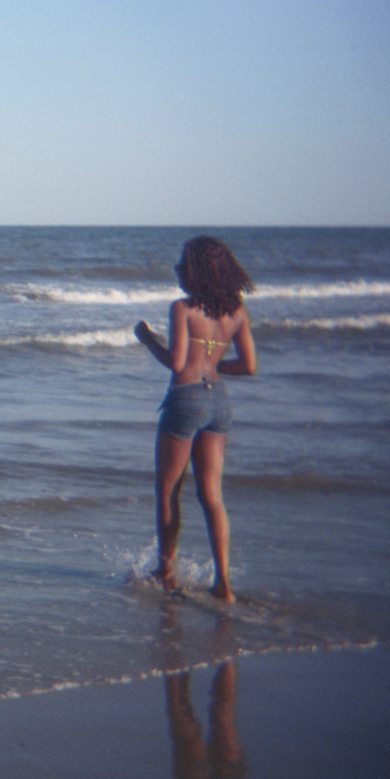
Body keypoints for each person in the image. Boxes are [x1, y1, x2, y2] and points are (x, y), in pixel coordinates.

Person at [134, 236, 257, 601]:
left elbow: (175, 363)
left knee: (169, 492)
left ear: (196, 272)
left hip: (185, 400)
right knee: (212, 495)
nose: (177, 270)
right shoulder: (237, 312)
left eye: (182, 264)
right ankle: (224, 583)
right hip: (219, 401)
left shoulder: (183, 308)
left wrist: (146, 338)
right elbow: (249, 366)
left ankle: (165, 572)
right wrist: (213, 365)